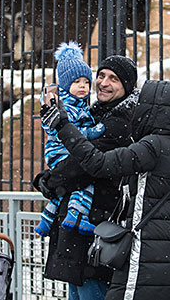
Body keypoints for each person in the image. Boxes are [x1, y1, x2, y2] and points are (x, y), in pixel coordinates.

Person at [40, 79, 170, 300]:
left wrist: (62, 125)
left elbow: (98, 163)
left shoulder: (153, 147)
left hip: (142, 255)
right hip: (164, 256)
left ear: (157, 109)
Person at [33, 55, 139, 300]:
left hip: (99, 226)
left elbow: (87, 164)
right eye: (101, 75)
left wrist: (50, 180)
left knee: (92, 289)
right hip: (81, 227)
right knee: (78, 290)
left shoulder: (120, 122)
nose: (103, 82)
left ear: (126, 86)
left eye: (113, 79)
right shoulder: (92, 113)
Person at [35, 41, 105, 237]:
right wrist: (93, 131)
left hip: (61, 152)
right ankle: (77, 217)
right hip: (60, 152)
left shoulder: (79, 104)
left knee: (65, 188)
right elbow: (70, 131)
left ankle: (46, 220)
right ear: (66, 84)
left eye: (86, 82)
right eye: (77, 82)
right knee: (83, 183)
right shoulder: (67, 106)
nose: (82, 86)